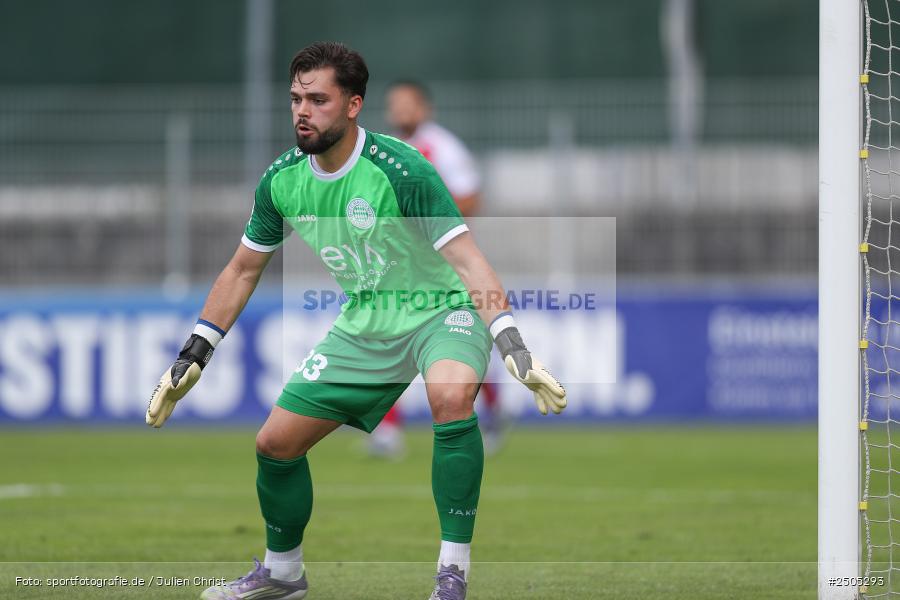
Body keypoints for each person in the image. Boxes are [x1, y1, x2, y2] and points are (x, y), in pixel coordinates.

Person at [145, 42, 566, 600]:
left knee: (449, 400)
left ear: (353, 106)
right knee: (275, 444)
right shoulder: (282, 181)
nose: (302, 110)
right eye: (295, 98)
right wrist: (197, 348)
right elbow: (243, 269)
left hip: (442, 311)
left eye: (317, 99)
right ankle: (282, 575)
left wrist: (510, 341)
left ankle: (452, 575)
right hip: (366, 322)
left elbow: (467, 260)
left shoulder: (403, 169)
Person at [371, 80, 505, 457]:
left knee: (459, 345)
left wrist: (429, 222)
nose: (400, 111)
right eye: (394, 104)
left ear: (425, 108)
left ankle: (492, 409)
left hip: (443, 264)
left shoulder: (442, 147)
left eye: (407, 104)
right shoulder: (382, 149)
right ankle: (388, 431)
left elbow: (470, 196)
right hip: (400, 264)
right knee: (388, 336)